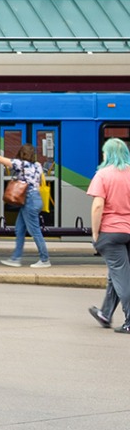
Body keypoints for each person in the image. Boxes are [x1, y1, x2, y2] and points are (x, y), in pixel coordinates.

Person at [0, 143, 52, 269]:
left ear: (22, 154)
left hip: (29, 201)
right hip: (35, 199)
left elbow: (0, 159)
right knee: (19, 230)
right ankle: (15, 258)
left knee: (35, 231)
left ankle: (44, 259)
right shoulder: (38, 165)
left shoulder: (20, 164)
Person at [86, 137, 130, 333]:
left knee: (123, 278)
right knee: (118, 274)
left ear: (108, 154)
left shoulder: (103, 175)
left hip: (111, 232)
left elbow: (97, 206)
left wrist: (96, 232)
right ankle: (105, 313)